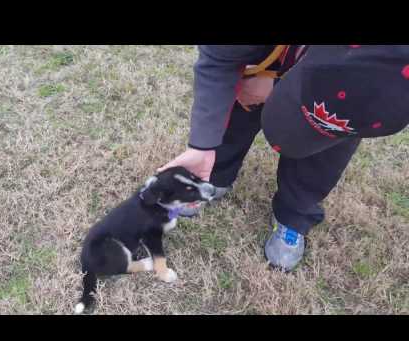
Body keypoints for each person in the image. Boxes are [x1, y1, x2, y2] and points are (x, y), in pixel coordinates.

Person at [158, 45, 409, 272]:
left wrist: (278, 88)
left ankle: (295, 211)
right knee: (240, 102)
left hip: (362, 87)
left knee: (332, 139)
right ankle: (215, 174)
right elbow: (217, 63)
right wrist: (202, 146)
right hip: (268, 57)